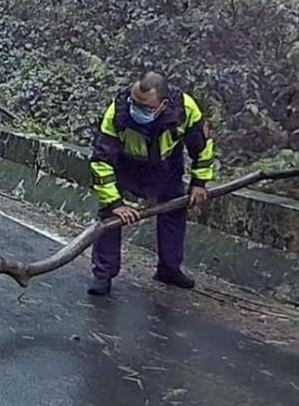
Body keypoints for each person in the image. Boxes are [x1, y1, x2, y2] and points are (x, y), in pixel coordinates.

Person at [87, 72, 215, 296]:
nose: (137, 108)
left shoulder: (185, 109)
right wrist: (116, 202)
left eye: (145, 107)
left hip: (166, 164)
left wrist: (199, 182)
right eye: (134, 102)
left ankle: (169, 268)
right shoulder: (117, 112)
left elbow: (202, 147)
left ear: (163, 104)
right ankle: (103, 274)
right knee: (109, 216)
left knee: (174, 210)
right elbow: (101, 161)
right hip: (127, 163)